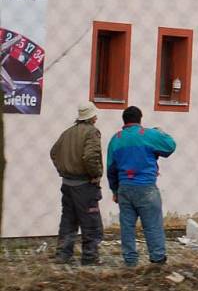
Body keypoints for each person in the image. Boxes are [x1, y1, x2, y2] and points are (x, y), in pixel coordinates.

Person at [107, 106, 176, 267]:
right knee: (152, 225)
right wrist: (161, 132)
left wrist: (114, 190)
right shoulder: (148, 135)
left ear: (124, 121)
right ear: (140, 119)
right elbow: (170, 146)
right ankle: (157, 259)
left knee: (127, 227)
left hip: (124, 188)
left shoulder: (116, 139)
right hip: (146, 187)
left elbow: (111, 169)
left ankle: (130, 261)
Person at [50, 102, 104, 265]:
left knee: (68, 220)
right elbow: (90, 157)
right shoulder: (92, 132)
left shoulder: (68, 132)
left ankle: (63, 254)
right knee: (91, 221)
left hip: (67, 184)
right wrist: (96, 174)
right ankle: (90, 257)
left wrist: (63, 169)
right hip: (84, 185)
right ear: (92, 117)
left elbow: (53, 153)